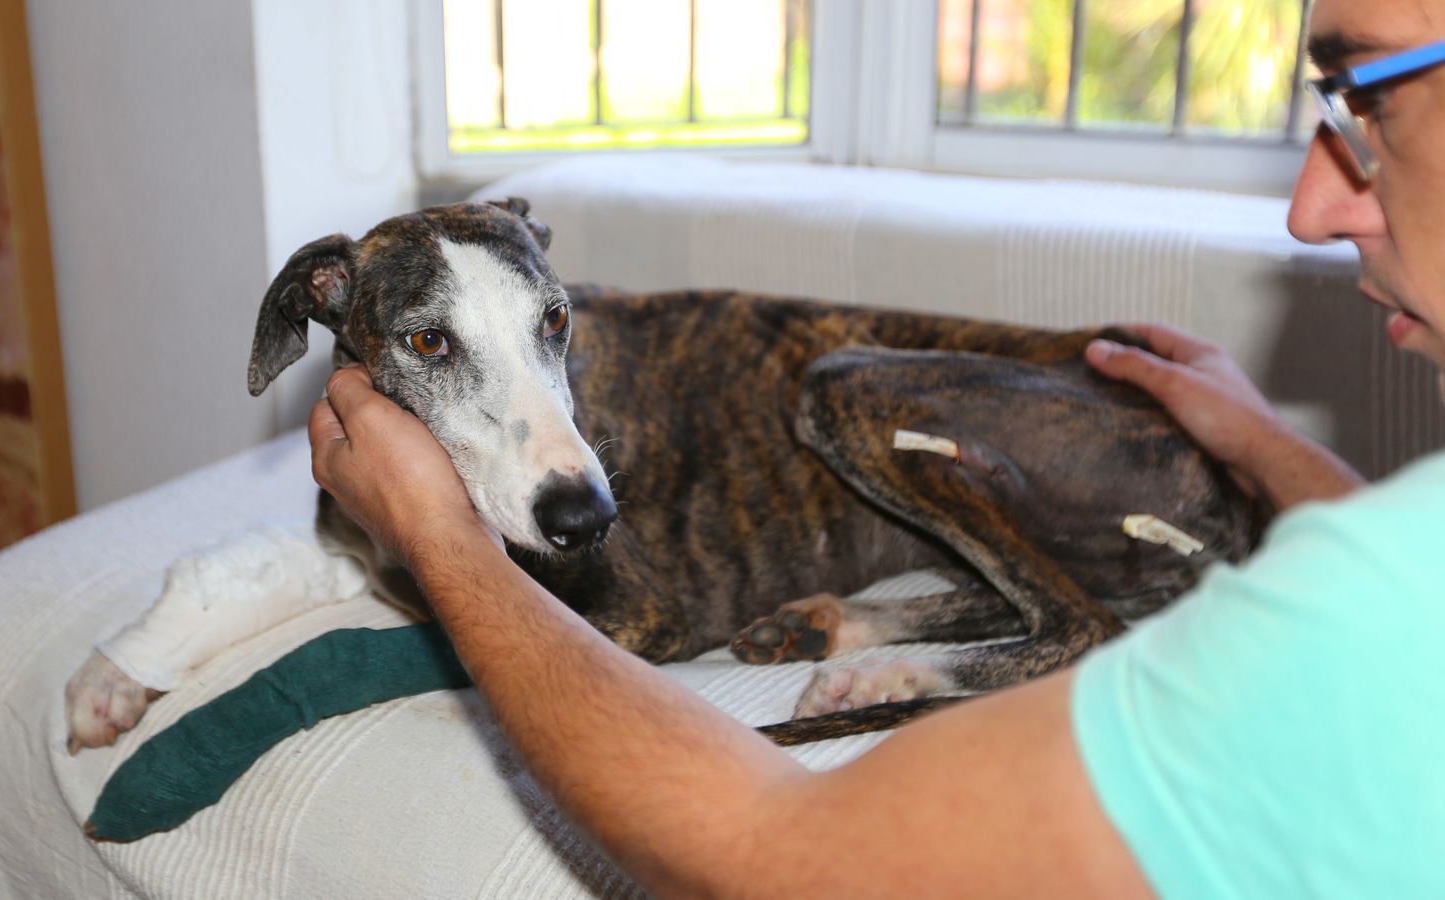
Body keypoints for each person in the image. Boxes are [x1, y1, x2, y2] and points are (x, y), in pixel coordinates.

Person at [308, 1, 1445, 894]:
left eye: (1365, 103)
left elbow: (762, 856)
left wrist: (438, 538)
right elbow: (1388, 585)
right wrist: (1270, 452)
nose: (1306, 206)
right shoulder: (1402, 569)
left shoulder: (1373, 621)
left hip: (1035, 518)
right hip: (1089, 460)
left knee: (855, 400)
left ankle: (1038, 636)